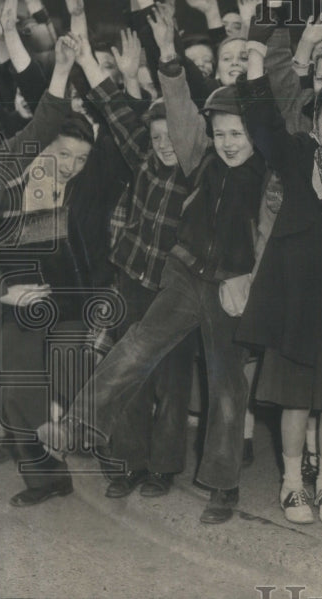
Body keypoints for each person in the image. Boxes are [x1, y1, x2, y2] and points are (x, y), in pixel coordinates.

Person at [47, 3, 266, 525]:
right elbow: (182, 108)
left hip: (230, 286)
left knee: (226, 386)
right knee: (134, 348)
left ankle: (222, 484)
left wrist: (251, 280)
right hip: (184, 273)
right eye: (222, 133)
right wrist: (168, 56)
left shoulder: (267, 173)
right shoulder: (202, 156)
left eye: (239, 134)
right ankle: (75, 425)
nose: (229, 142)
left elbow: (272, 232)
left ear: (255, 136)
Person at [235, 50, 322, 526]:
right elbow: (264, 122)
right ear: (315, 125)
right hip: (295, 301)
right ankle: (293, 484)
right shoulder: (295, 156)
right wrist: (254, 71)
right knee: (294, 398)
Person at [81, 27, 196, 500]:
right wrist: (82, 46)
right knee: (126, 372)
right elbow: (110, 102)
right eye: (156, 136)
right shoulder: (144, 157)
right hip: (132, 281)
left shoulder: (196, 170)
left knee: (171, 382)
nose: (164, 143)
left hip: (175, 290)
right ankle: (130, 463)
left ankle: (163, 468)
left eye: (172, 134)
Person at [0, 28, 99, 507]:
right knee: (17, 391)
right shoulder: (4, 174)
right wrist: (1, 291)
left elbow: (47, 119)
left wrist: (61, 68)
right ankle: (47, 477)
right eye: (64, 156)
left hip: (67, 295)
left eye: (79, 158)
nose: (70, 164)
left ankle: (116, 446)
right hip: (20, 293)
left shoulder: (69, 182)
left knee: (75, 380)